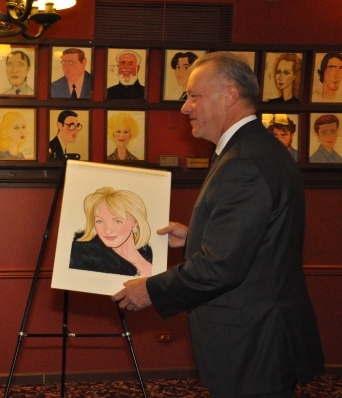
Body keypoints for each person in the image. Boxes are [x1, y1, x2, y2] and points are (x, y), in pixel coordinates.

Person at [113, 52, 324, 398]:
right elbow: (257, 238)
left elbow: (220, 266)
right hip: (259, 336)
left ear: (229, 97)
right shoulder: (255, 148)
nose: (185, 107)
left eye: (194, 96)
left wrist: (150, 290)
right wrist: (195, 234)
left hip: (252, 343)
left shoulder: (243, 162)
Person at [70, 187, 152, 276]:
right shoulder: (83, 258)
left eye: (117, 221)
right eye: (100, 221)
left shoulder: (153, 260)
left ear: (135, 221)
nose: (107, 230)